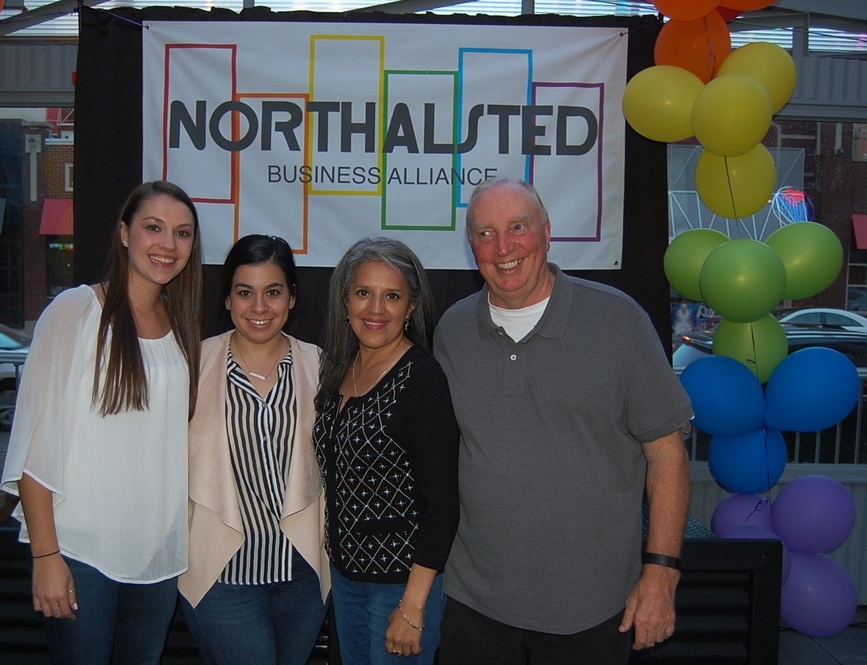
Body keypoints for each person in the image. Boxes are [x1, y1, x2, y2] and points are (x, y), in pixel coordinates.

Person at [433, 177, 693, 665]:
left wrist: (661, 572)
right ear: (471, 246)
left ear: (547, 233)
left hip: (593, 609)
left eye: (518, 227)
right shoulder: (452, 330)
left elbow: (666, 452)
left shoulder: (618, 321)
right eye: (485, 233)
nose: (503, 247)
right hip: (474, 606)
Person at [0, 180, 203, 665]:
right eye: (153, 227)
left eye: (182, 233)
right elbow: (33, 440)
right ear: (125, 234)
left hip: (157, 554)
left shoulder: (181, 325)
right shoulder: (76, 311)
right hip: (80, 549)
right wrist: (46, 556)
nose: (168, 244)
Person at [178, 234, 329, 665]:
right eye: (245, 292)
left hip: (302, 573)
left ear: (292, 298)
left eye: (273, 292)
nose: (259, 307)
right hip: (222, 573)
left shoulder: (322, 366)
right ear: (227, 299)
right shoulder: (191, 365)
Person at [313, 236, 460, 664]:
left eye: (392, 296)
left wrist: (412, 606)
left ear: (411, 307)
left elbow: (442, 505)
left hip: (401, 586)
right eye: (364, 292)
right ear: (346, 301)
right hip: (345, 579)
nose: (375, 309)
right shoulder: (339, 369)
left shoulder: (422, 379)